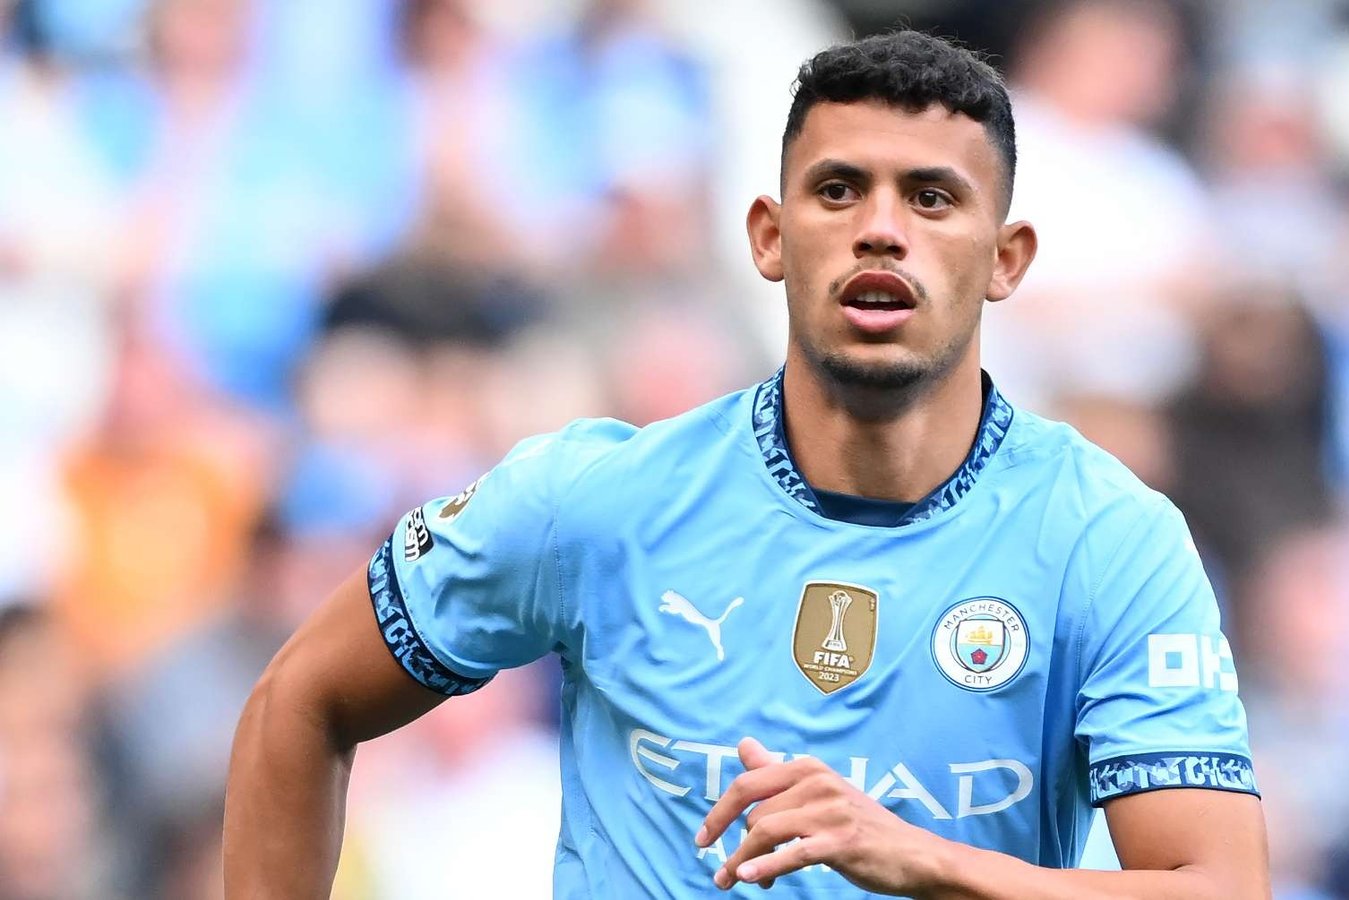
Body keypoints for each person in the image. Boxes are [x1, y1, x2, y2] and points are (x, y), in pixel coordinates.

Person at [224, 30, 1268, 898]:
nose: (880, 231)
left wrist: (923, 858)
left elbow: (1220, 886)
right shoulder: (597, 501)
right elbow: (299, 699)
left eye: (931, 198)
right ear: (769, 237)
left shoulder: (1105, 540)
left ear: (1007, 259)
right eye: (838, 190)